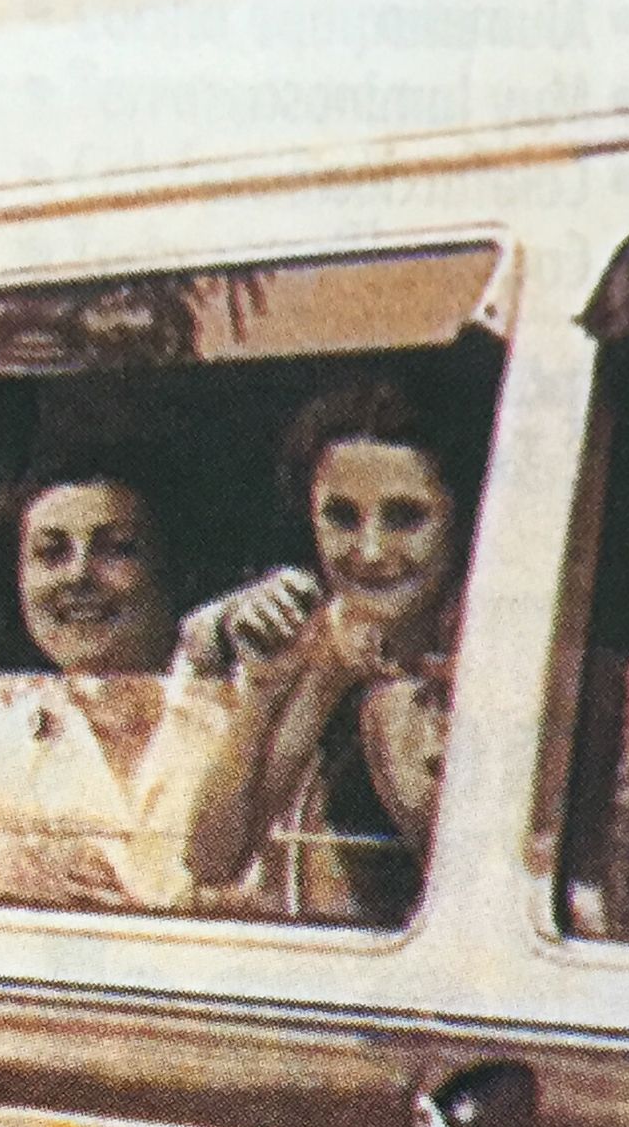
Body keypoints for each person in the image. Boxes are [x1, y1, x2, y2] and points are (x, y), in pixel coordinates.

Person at [185, 379, 472, 924]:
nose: (369, 550)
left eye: (406, 517)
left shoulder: (495, 643)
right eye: (341, 517)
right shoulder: (325, 639)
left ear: (457, 520)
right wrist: (270, 691)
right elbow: (213, 859)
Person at [0, 459, 233, 911]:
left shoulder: (234, 701)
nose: (78, 574)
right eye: (51, 553)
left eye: (117, 549)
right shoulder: (16, 731)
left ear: (173, 569)